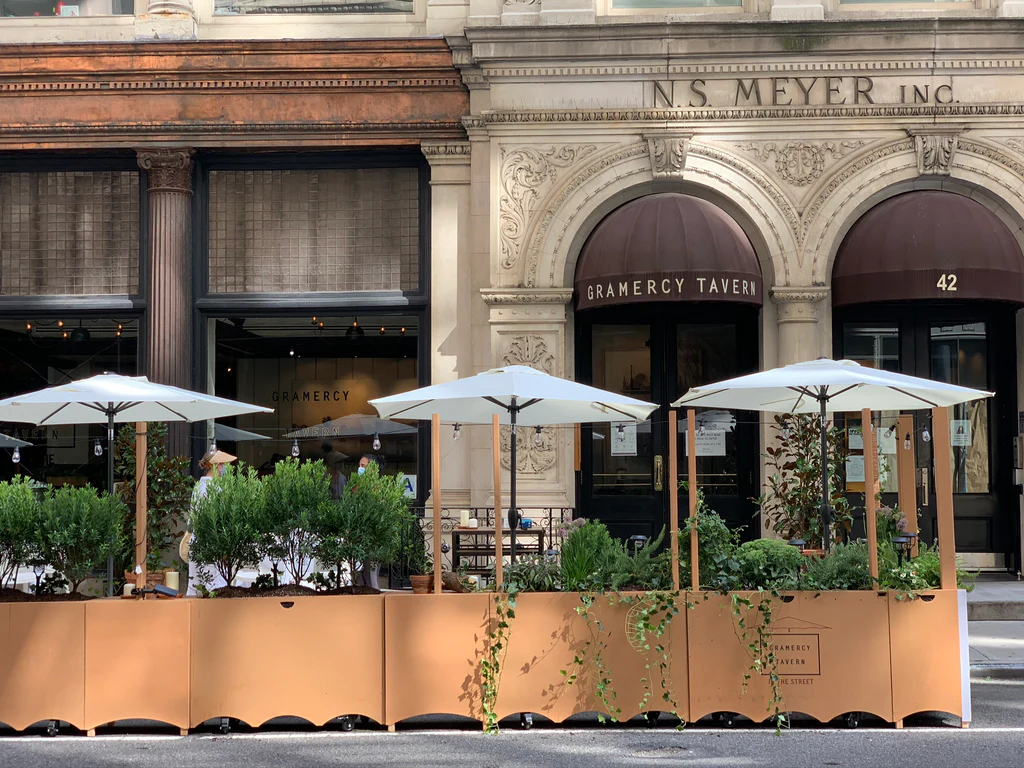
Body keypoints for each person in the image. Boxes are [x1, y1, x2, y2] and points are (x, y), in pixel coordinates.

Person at [182, 449, 237, 596]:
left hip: (197, 541)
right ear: (217, 465)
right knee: (216, 586)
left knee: (195, 587)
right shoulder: (215, 488)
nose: (226, 468)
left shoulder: (198, 486)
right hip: (210, 542)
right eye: (224, 465)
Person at [350, 454, 380, 590]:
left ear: (372, 469)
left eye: (363, 466)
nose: (359, 468)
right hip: (357, 536)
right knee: (358, 577)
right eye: (359, 465)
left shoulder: (377, 488)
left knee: (370, 575)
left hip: (371, 537)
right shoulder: (356, 486)